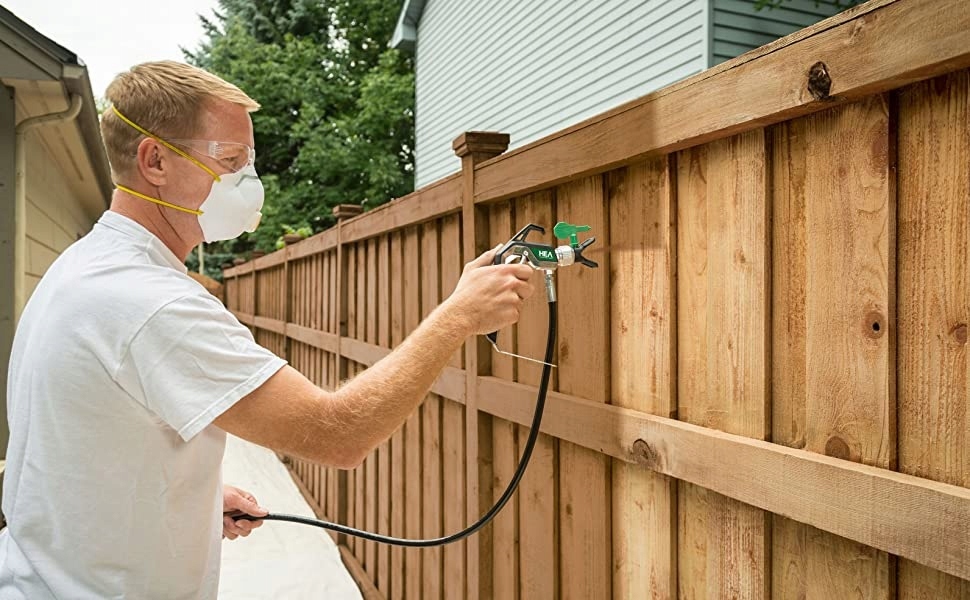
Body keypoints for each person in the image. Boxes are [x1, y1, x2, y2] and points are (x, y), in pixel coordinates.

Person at [0, 61, 534, 599]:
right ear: (154, 160)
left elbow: (80, 449)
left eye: (247, 162)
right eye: (230, 161)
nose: (248, 182)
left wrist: (191, 502)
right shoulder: (155, 304)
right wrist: (456, 317)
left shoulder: (84, 265)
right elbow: (337, 434)